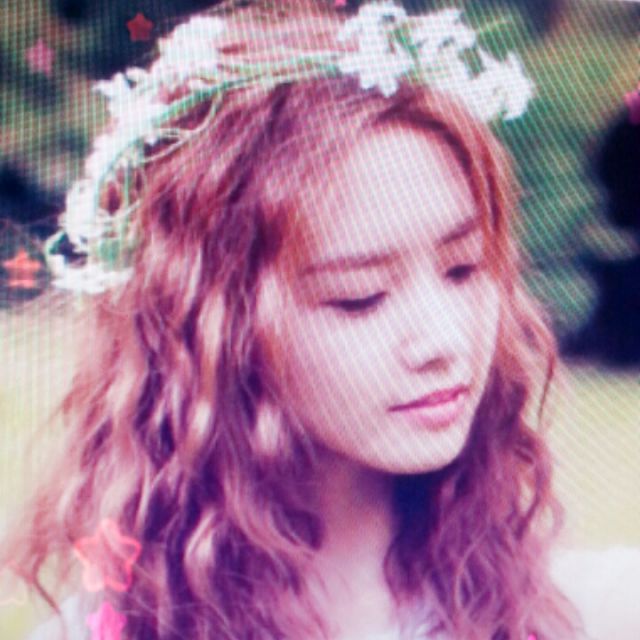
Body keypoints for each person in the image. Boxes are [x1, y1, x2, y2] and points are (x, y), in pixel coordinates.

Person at [1, 1, 638, 639]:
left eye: (464, 269)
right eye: (360, 298)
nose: (445, 341)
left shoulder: (587, 612)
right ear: (216, 329)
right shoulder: (111, 628)